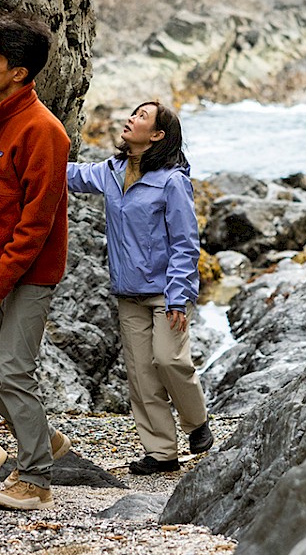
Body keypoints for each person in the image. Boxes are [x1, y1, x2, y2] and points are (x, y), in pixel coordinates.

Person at [67, 101, 214, 475]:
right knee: (141, 375)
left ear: (157, 135)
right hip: (128, 292)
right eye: (134, 114)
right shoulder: (112, 171)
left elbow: (185, 243)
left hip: (167, 292)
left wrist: (180, 296)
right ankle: (162, 453)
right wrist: (30, 155)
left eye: (141, 117)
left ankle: (197, 424)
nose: (131, 119)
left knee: (169, 359)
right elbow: (72, 176)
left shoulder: (172, 181)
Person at [0, 15, 72, 512]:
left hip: (29, 273)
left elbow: (38, 221)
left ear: (21, 73)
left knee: (13, 369)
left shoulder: (46, 132)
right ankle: (42, 437)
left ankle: (35, 479)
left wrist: (3, 279)